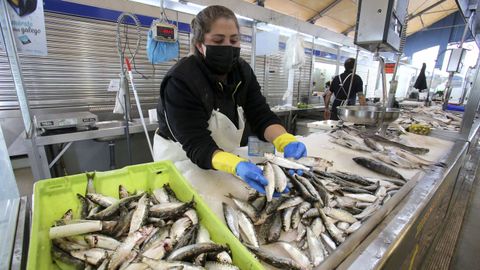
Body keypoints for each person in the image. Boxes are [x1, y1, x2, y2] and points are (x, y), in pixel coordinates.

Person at [154, 5, 307, 194]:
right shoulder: (181, 80)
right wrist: (236, 166)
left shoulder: (242, 72)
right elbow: (197, 145)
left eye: (234, 40)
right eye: (218, 41)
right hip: (183, 160)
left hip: (224, 159)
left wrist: (284, 140)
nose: (228, 47)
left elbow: (261, 115)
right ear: (200, 44)